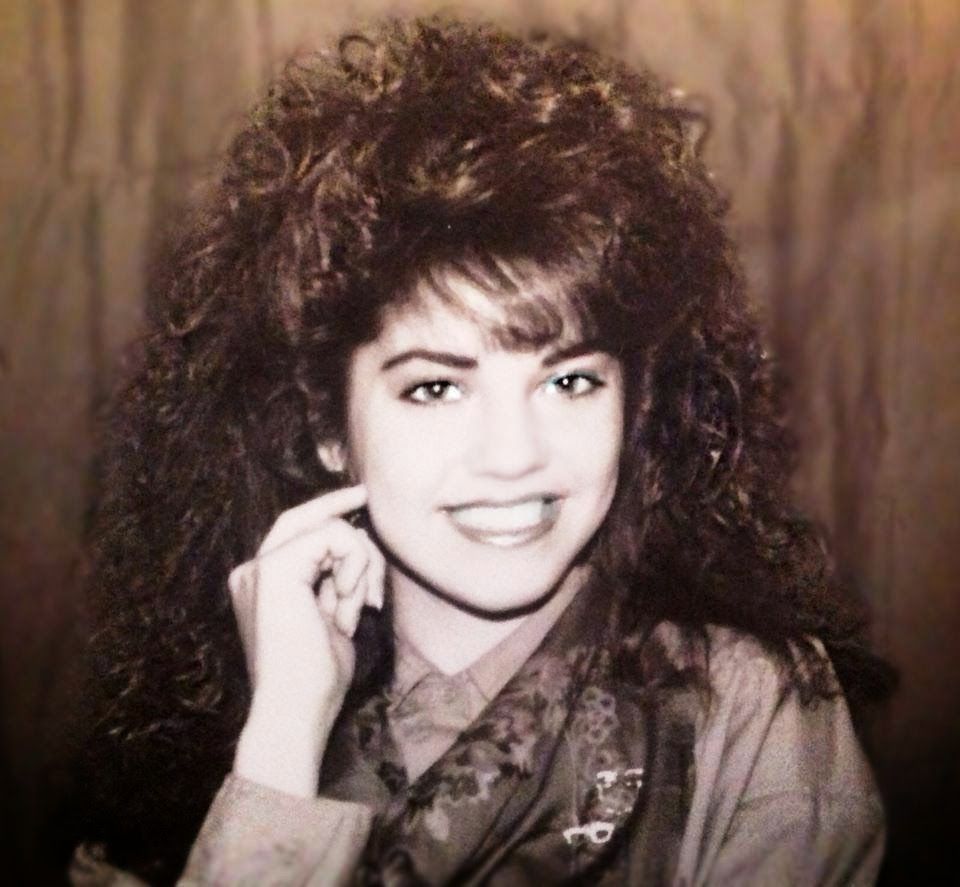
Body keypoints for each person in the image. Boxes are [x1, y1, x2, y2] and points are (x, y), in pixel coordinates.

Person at [67, 15, 893, 886]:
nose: (514, 455)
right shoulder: (198, 746)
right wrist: (280, 740)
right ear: (327, 428)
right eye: (436, 387)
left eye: (569, 380)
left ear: (636, 401)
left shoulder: (743, 707)